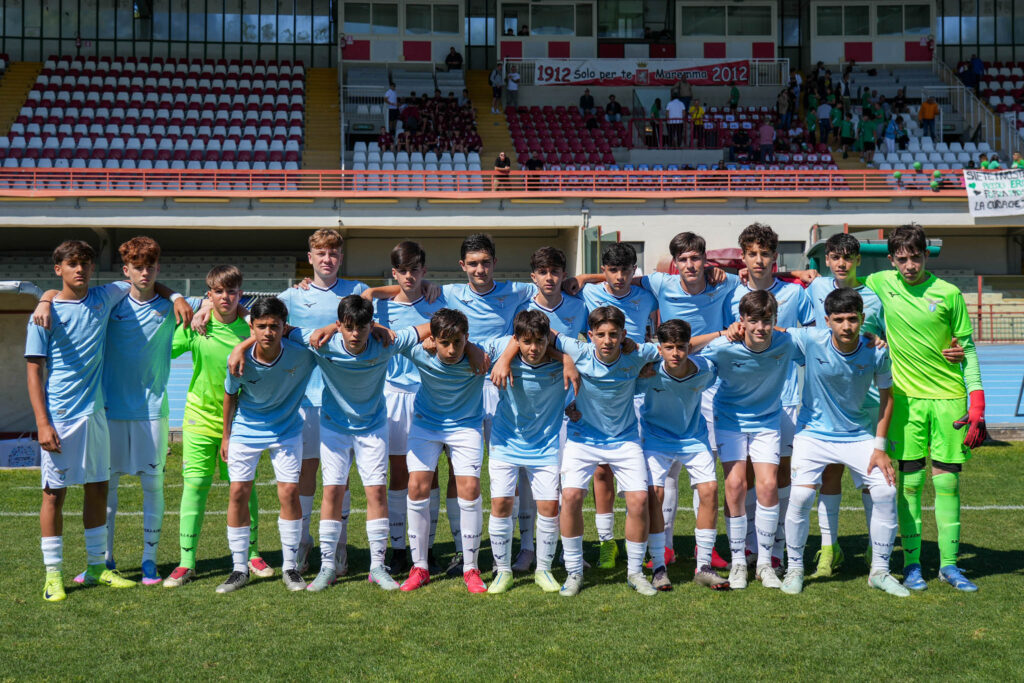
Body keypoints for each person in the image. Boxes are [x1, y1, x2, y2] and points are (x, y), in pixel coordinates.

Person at [27, 240, 191, 601]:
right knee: (53, 494)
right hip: (62, 417)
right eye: (72, 264)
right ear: (58, 269)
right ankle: (53, 575)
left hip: (98, 413)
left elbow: (148, 283)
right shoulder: (43, 314)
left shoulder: (105, 296)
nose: (80, 269)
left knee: (98, 488)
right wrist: (42, 422)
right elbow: (34, 371)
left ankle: (99, 566)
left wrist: (178, 295)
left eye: (85, 263)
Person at [271, 296, 425, 592]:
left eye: (362, 327)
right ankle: (327, 566)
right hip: (334, 429)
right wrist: (240, 347)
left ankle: (377, 567)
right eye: (349, 327)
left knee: (376, 492)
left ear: (371, 326)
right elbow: (280, 328)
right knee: (333, 491)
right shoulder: (322, 342)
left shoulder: (385, 343)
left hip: (373, 429)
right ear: (340, 325)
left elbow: (430, 327)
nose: (355, 334)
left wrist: (379, 328)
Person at [864, 225, 986, 592]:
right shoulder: (879, 283)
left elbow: (968, 349)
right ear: (891, 260)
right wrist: (801, 276)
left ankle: (950, 566)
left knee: (947, 482)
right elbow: (843, 284)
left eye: (915, 257)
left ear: (925, 255)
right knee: (910, 484)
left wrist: (977, 402)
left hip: (949, 398)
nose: (909, 266)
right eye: (902, 259)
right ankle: (912, 564)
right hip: (905, 401)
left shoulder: (949, 294)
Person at [781, 289, 906, 597]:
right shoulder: (810, 340)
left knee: (886, 491)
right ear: (827, 321)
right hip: (813, 434)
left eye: (852, 319)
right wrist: (735, 329)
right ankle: (795, 568)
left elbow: (888, 399)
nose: (847, 326)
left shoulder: (875, 351)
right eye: (839, 320)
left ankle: (879, 571)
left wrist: (880, 447)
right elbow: (772, 333)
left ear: (862, 319)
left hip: (858, 435)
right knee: (800, 496)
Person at [96, 238, 203, 586]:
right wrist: (44, 298)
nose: (144, 273)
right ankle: (106, 558)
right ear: (125, 270)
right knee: (107, 488)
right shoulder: (110, 302)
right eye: (137, 267)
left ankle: (149, 560)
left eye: (150, 267)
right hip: (110, 410)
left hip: (153, 412)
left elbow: (222, 301)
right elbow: (65, 295)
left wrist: (178, 297)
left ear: (158, 268)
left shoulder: (172, 307)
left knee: (153, 487)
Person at [164, 266, 274, 587]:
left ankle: (252, 554)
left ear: (241, 294)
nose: (226, 297)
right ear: (209, 294)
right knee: (195, 486)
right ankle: (187, 562)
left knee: (243, 487)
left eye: (232, 291)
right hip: (199, 418)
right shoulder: (196, 326)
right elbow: (163, 351)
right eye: (219, 292)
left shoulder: (250, 328)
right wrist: (193, 312)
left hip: (241, 422)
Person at [272, 230, 368, 576]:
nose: (327, 259)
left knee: (340, 476)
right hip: (303, 397)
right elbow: (259, 318)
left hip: (344, 397)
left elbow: (387, 303)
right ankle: (303, 541)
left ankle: (339, 543)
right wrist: (206, 306)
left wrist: (428, 287)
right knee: (306, 472)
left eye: (333, 253)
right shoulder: (291, 296)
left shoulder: (357, 290)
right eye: (321, 253)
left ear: (341, 257)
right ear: (310, 257)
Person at [556, 306, 664, 596]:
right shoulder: (578, 351)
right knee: (571, 496)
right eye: (601, 334)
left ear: (624, 335)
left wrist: (646, 361)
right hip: (583, 438)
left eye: (614, 334)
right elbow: (546, 333)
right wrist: (566, 360)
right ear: (590, 335)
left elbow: (667, 350)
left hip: (625, 439)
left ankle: (635, 573)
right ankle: (574, 572)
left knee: (639, 500)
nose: (607, 341)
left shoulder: (637, 353)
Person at [698, 290, 799, 590]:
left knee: (768, 484)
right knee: (735, 485)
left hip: (767, 421)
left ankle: (765, 564)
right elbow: (685, 350)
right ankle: (739, 562)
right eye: (753, 321)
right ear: (741, 320)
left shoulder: (786, 342)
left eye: (766, 321)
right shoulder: (724, 346)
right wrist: (721, 332)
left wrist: (872, 340)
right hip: (730, 420)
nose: (760, 327)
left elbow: (826, 341)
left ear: (775, 320)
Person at [727, 223, 814, 570]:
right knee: (747, 475)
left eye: (765, 253)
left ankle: (778, 546)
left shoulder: (795, 293)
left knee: (781, 475)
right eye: (752, 254)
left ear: (775, 256)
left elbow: (813, 338)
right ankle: (751, 544)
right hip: (745, 400)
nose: (759, 260)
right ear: (743, 257)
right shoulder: (731, 293)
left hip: (788, 398)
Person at [217, 297, 316, 594]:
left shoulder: (302, 355)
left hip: (286, 431)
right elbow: (230, 395)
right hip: (245, 431)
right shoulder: (238, 360)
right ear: (252, 327)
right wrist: (226, 435)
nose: (268, 332)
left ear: (285, 327)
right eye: (261, 326)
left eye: (275, 326)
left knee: (289, 492)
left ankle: (290, 567)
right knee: (238, 492)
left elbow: (326, 338)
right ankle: (239, 569)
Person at [574, 243, 658, 569]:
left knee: (644, 470)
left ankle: (648, 544)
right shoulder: (588, 294)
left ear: (634, 270)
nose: (620, 277)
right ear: (603, 271)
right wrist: (584, 278)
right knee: (601, 469)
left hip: (639, 387)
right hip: (604, 387)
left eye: (626, 270)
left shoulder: (647, 295)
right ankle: (607, 542)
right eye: (612, 270)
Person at [395, 308, 490, 593]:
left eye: (458, 342)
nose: (451, 350)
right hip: (426, 425)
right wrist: (431, 333)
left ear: (467, 338)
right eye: (444, 342)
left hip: (466, 427)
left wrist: (473, 349)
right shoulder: (420, 352)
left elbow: (514, 342)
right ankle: (420, 567)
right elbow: (391, 338)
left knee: (469, 488)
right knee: (417, 486)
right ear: (433, 339)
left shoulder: (482, 355)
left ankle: (471, 568)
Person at [371, 242, 446, 575]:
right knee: (399, 473)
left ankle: (427, 548)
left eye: (415, 270)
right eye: (403, 271)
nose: (410, 276)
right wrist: (373, 292)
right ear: (394, 273)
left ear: (424, 271)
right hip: (394, 396)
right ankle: (399, 548)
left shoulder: (437, 303)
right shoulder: (380, 308)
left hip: (430, 395)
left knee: (430, 474)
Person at [639, 319, 729, 590]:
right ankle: (659, 568)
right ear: (659, 349)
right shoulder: (648, 370)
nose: (675, 353)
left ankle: (704, 567)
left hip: (693, 438)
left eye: (681, 347)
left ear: (689, 347)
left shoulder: (706, 370)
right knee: (655, 494)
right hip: (656, 438)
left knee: (710, 490)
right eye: (669, 347)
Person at [484, 311, 566, 592]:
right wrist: (504, 358)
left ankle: (544, 570)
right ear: (516, 340)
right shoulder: (501, 355)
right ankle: (503, 571)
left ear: (548, 341)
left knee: (549, 508)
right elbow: (472, 348)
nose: (533, 348)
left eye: (540, 341)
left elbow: (587, 354)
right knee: (501, 504)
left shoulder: (559, 364)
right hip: (505, 443)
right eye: (527, 342)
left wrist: (565, 359)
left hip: (544, 447)